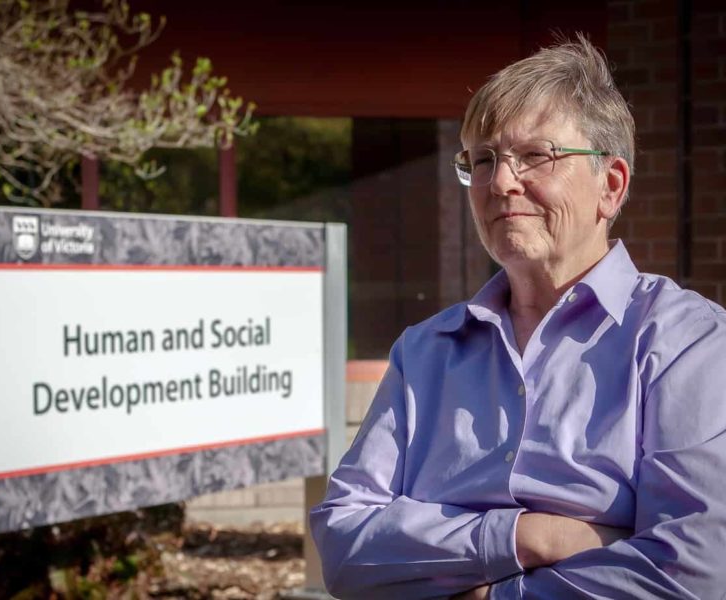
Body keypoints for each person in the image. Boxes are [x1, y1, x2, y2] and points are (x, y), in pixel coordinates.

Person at [310, 36, 726, 599]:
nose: (501, 182)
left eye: (536, 155)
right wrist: (529, 537)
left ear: (610, 186)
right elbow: (342, 547)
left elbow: (694, 571)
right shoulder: (425, 352)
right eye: (483, 160)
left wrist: (489, 594)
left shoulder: (684, 342)